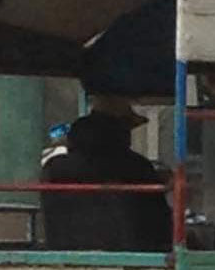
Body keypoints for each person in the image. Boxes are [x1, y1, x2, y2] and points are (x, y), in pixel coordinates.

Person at [41, 95, 172, 252]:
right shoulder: (136, 166)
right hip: (131, 254)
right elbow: (159, 223)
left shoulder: (54, 167)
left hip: (63, 252)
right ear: (120, 130)